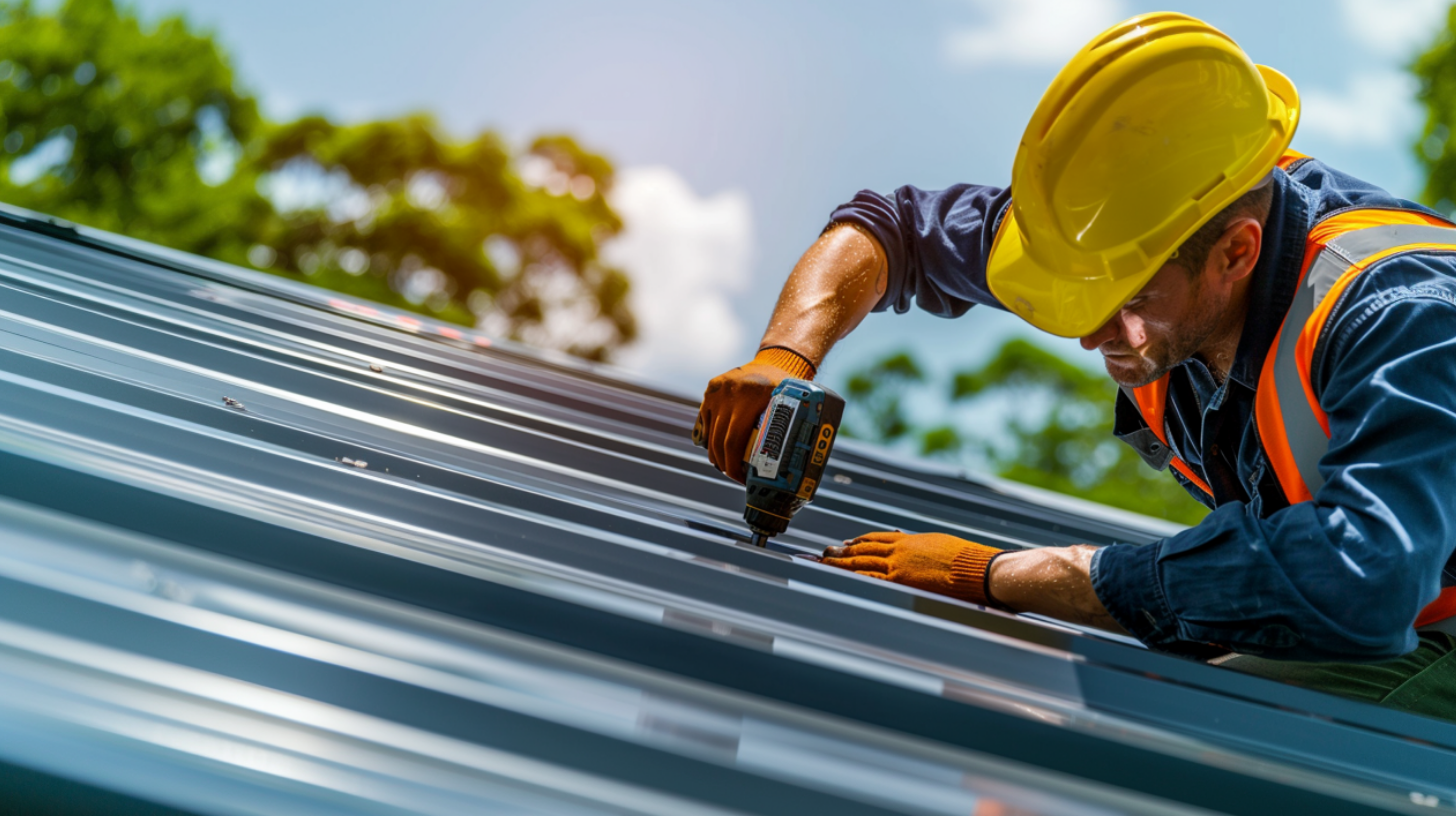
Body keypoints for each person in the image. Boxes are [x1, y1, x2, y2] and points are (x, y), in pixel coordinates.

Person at [694, 13, 1456, 718]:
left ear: (1236, 253)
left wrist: (1013, 575)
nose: (1092, 333)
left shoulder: (1400, 314)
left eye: (1123, 298)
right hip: (1372, 608)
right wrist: (784, 354)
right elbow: (893, 232)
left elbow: (1364, 580)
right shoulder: (1132, 214)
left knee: (1185, 738)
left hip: (1413, 617)